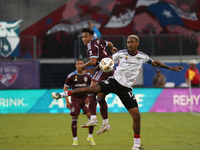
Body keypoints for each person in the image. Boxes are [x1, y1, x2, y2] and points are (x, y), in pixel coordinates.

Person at [52, 35, 183, 150]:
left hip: (126, 89)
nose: (129, 44)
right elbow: (106, 61)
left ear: (137, 43)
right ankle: (62, 95)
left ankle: (136, 146)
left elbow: (154, 62)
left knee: (137, 116)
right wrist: (94, 69)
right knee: (91, 90)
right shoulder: (121, 54)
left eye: (132, 42)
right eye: (128, 42)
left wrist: (170, 67)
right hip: (113, 82)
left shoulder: (142, 57)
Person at [79, 27, 117, 136]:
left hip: (103, 68)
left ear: (91, 37)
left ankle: (93, 118)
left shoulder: (91, 44)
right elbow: (109, 43)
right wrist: (113, 48)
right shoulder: (99, 41)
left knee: (91, 90)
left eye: (86, 37)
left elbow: (93, 61)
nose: (84, 39)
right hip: (109, 67)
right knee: (100, 97)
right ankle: (105, 123)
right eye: (83, 37)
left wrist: (83, 66)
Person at [62, 59, 95, 146]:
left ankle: (90, 136)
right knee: (74, 119)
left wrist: (88, 96)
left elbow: (91, 87)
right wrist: (67, 101)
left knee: (91, 118)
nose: (79, 65)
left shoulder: (88, 75)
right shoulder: (71, 76)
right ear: (75, 65)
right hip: (75, 100)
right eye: (78, 64)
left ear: (84, 65)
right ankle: (75, 140)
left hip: (85, 99)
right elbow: (65, 88)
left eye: (81, 63)